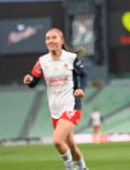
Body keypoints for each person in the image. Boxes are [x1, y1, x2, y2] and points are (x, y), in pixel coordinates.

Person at [23, 28, 89, 170]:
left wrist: (80, 89)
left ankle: (70, 168)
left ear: (61, 40)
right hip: (55, 109)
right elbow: (33, 82)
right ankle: (83, 168)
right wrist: (29, 80)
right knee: (70, 145)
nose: (50, 41)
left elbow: (84, 75)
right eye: (48, 38)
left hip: (71, 105)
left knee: (58, 141)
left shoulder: (70, 58)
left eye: (54, 37)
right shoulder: (42, 61)